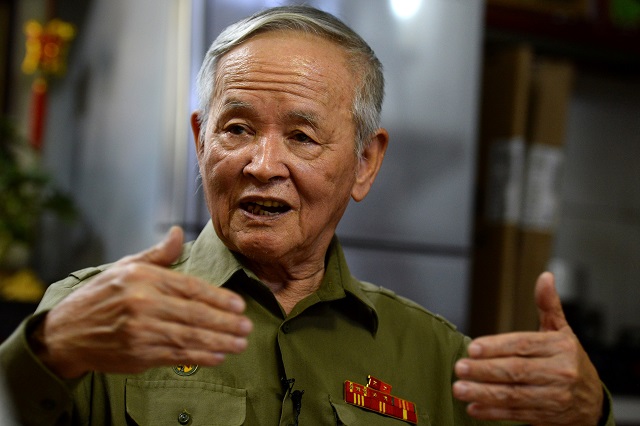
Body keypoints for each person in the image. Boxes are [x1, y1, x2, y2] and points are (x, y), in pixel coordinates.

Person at [0, 5, 613, 425]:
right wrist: (46, 352)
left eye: (301, 136)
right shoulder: (98, 315)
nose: (263, 164)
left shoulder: (432, 355)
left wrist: (590, 413)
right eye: (236, 128)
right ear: (200, 142)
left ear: (366, 163)